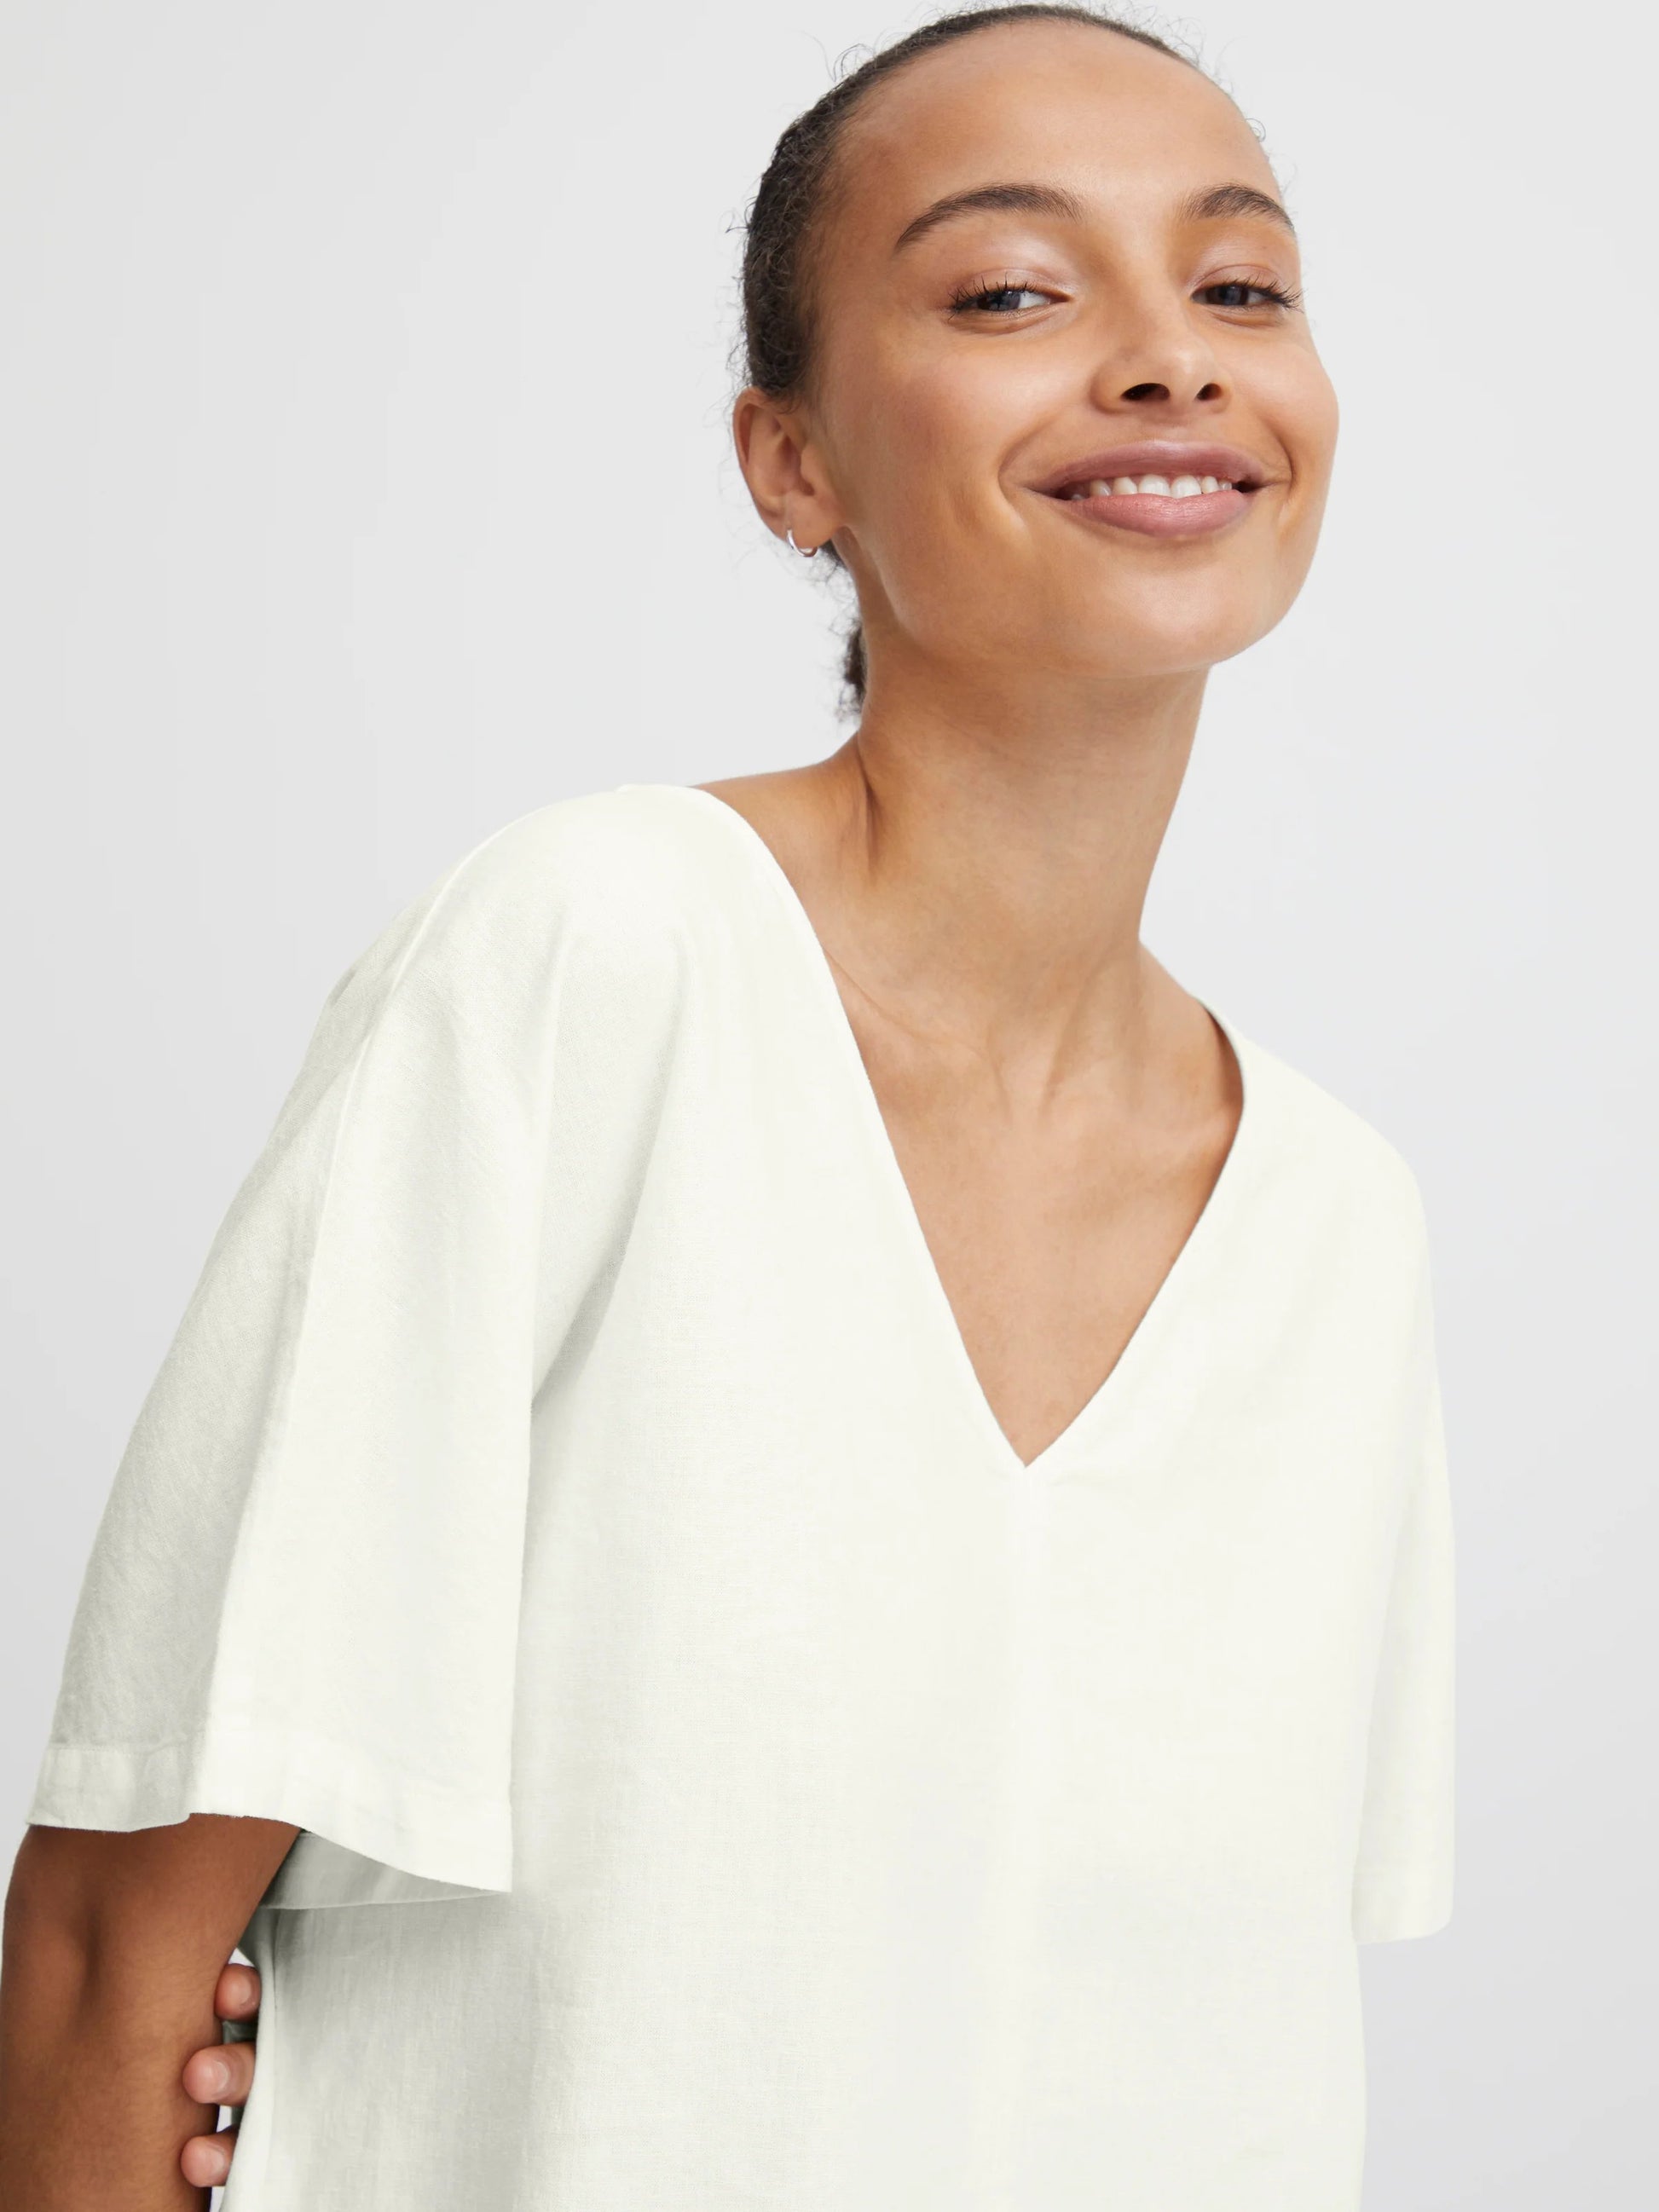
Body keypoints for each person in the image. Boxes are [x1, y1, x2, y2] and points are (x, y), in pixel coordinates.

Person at [0, 7, 1456, 2208]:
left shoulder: (1335, 1218)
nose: (1171, 360)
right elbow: (116, 1946)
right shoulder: (593, 965)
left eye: (1238, 284)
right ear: (792, 465)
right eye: (1010, 292)